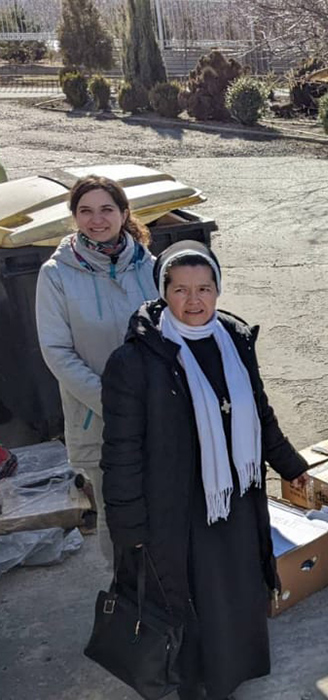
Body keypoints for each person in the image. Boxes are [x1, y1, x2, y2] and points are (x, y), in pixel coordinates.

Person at [100, 241, 309, 700]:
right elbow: (120, 452)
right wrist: (128, 527)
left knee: (236, 592)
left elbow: (257, 410)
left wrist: (290, 464)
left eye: (204, 289)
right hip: (179, 509)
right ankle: (194, 683)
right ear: (163, 294)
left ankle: (231, 673)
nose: (194, 302)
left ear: (217, 290)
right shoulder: (135, 362)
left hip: (233, 499)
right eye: (181, 291)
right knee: (190, 600)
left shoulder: (233, 341)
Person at [35, 175, 158, 561]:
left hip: (155, 412)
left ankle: (166, 588)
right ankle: (128, 598)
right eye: (85, 211)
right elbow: (57, 353)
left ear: (124, 214)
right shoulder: (56, 274)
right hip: (98, 418)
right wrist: (113, 402)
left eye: (107, 209)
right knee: (114, 513)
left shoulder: (148, 265)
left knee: (162, 502)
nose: (97, 220)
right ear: (75, 217)